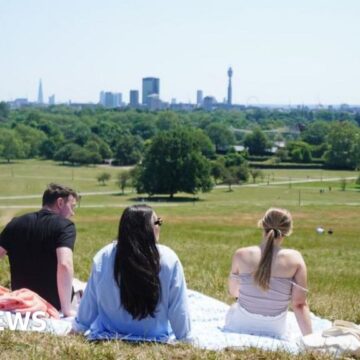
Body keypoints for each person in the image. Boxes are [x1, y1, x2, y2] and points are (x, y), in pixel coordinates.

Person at [73, 204, 192, 342]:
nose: (160, 224)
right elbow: (179, 308)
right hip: (154, 335)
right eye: (157, 221)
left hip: (110, 332)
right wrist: (185, 339)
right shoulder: (169, 259)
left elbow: (90, 301)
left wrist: (79, 327)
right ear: (147, 229)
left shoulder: (104, 256)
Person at [225, 207, 312, 338]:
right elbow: (299, 305)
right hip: (275, 329)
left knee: (232, 309)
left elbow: (234, 292)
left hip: (239, 325)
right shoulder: (295, 259)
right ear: (287, 231)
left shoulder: (241, 254)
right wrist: (311, 340)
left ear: (262, 225)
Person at [0, 183, 78, 317]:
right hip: (53, 304)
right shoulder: (65, 226)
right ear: (60, 202)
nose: (72, 212)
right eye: (72, 206)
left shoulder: (15, 223)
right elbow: (64, 264)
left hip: (22, 301)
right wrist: (66, 310)